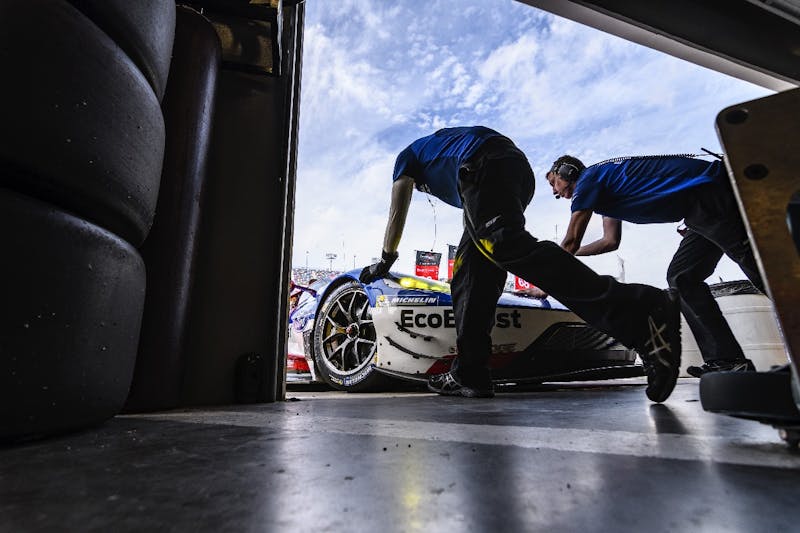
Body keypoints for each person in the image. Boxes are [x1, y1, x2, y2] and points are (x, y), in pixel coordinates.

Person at [359, 126, 682, 401]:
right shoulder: (441, 147)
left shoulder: (406, 158)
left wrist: (386, 258)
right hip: (509, 172)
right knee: (471, 274)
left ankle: (640, 310)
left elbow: (397, 209)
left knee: (504, 244)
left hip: (483, 164)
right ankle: (471, 372)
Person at [544, 153, 764, 377]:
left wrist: (547, 281)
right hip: (696, 210)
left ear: (567, 171)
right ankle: (727, 361)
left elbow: (571, 240)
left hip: (708, 194)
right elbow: (609, 241)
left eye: (554, 182)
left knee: (759, 265)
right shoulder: (601, 191)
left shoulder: (588, 180)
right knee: (682, 277)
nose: (555, 191)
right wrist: (573, 254)